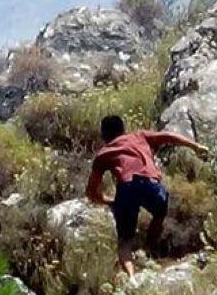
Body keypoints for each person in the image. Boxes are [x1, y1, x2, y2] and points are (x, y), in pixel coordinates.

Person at [86, 115, 209, 278]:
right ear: (123, 129)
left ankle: (131, 279)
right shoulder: (139, 136)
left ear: (103, 135)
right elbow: (168, 136)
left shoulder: (104, 153)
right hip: (150, 184)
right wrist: (195, 146)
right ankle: (150, 249)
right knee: (160, 210)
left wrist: (111, 202)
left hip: (126, 187)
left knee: (125, 241)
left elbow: (91, 192)